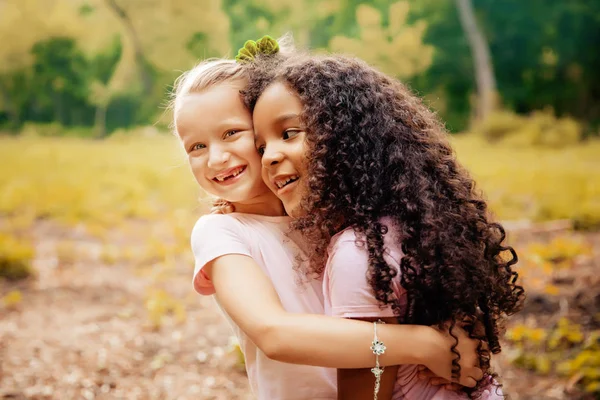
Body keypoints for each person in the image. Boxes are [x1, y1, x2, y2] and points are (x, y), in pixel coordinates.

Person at [171, 40, 483, 400]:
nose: (216, 157)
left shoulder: (331, 219)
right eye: (196, 147)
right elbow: (274, 334)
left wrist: (451, 328)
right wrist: (422, 343)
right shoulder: (221, 233)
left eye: (232, 134)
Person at [245, 45, 524, 399]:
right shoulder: (417, 227)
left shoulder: (357, 254)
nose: (269, 157)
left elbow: (369, 391)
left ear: (345, 136)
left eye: (289, 134)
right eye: (260, 147)